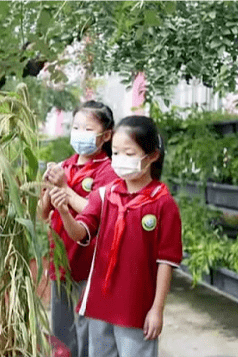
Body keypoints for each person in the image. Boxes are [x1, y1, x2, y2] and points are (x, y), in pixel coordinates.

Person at [49, 115, 182, 357]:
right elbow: (81, 232)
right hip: (100, 302)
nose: (120, 161)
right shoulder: (105, 195)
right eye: (117, 154)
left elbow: (167, 261)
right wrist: (64, 212)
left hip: (136, 307)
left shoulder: (163, 204)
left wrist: (157, 309)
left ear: (152, 156)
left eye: (129, 154)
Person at [39, 100, 118, 357]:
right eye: (76, 127)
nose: (79, 133)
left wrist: (64, 189)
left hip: (92, 266)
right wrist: (48, 192)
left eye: (87, 128)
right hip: (61, 262)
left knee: (88, 330)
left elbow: (97, 211)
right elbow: (42, 214)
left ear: (106, 135)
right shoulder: (64, 166)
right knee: (61, 329)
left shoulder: (109, 171)